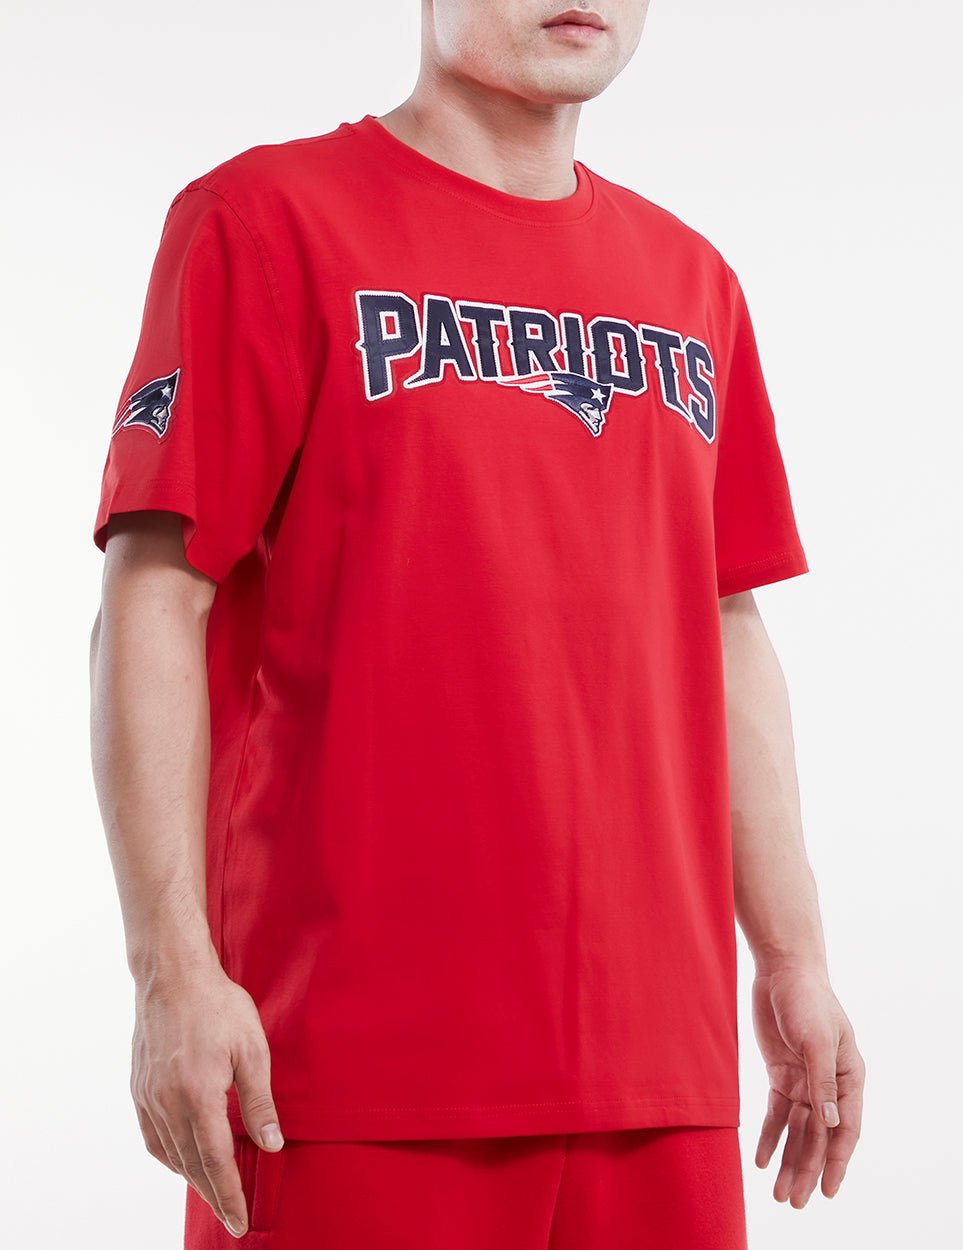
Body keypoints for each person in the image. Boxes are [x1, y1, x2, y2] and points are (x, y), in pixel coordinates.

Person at [89, 1, 865, 1246]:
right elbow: (153, 593)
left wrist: (792, 954)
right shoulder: (265, 222)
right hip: (343, 1072)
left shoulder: (694, 282)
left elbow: (725, 623)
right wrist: (167, 966)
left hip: (657, 1070)